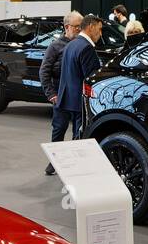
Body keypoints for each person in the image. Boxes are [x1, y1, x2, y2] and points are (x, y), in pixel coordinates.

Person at [41, 11, 83, 175]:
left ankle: (75, 163)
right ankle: (54, 162)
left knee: (78, 131)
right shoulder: (55, 46)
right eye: (77, 27)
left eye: (81, 26)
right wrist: (51, 94)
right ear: (67, 27)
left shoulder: (82, 45)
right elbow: (44, 72)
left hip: (79, 96)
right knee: (59, 129)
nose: (79, 30)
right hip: (61, 95)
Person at [55, 14, 103, 144]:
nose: (100, 33)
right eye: (99, 29)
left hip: (67, 98)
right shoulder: (87, 48)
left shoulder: (71, 45)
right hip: (80, 103)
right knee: (79, 141)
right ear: (91, 27)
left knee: (62, 137)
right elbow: (91, 78)